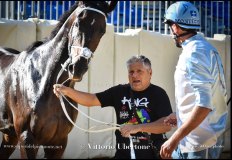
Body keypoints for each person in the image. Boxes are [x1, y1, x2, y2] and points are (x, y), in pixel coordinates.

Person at [53, 55, 173, 159]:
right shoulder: (119, 91)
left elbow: (167, 125)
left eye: (139, 71)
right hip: (123, 154)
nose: (134, 75)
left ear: (150, 73)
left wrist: (137, 128)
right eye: (131, 72)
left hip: (151, 154)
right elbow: (92, 99)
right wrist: (67, 91)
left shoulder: (159, 93)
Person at [160, 1, 228, 159]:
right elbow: (203, 95)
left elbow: (204, 105)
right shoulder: (203, 48)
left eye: (170, 26)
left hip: (199, 144)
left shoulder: (194, 52)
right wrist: (180, 116)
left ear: (175, 26)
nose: (171, 31)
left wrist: (174, 139)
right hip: (194, 140)